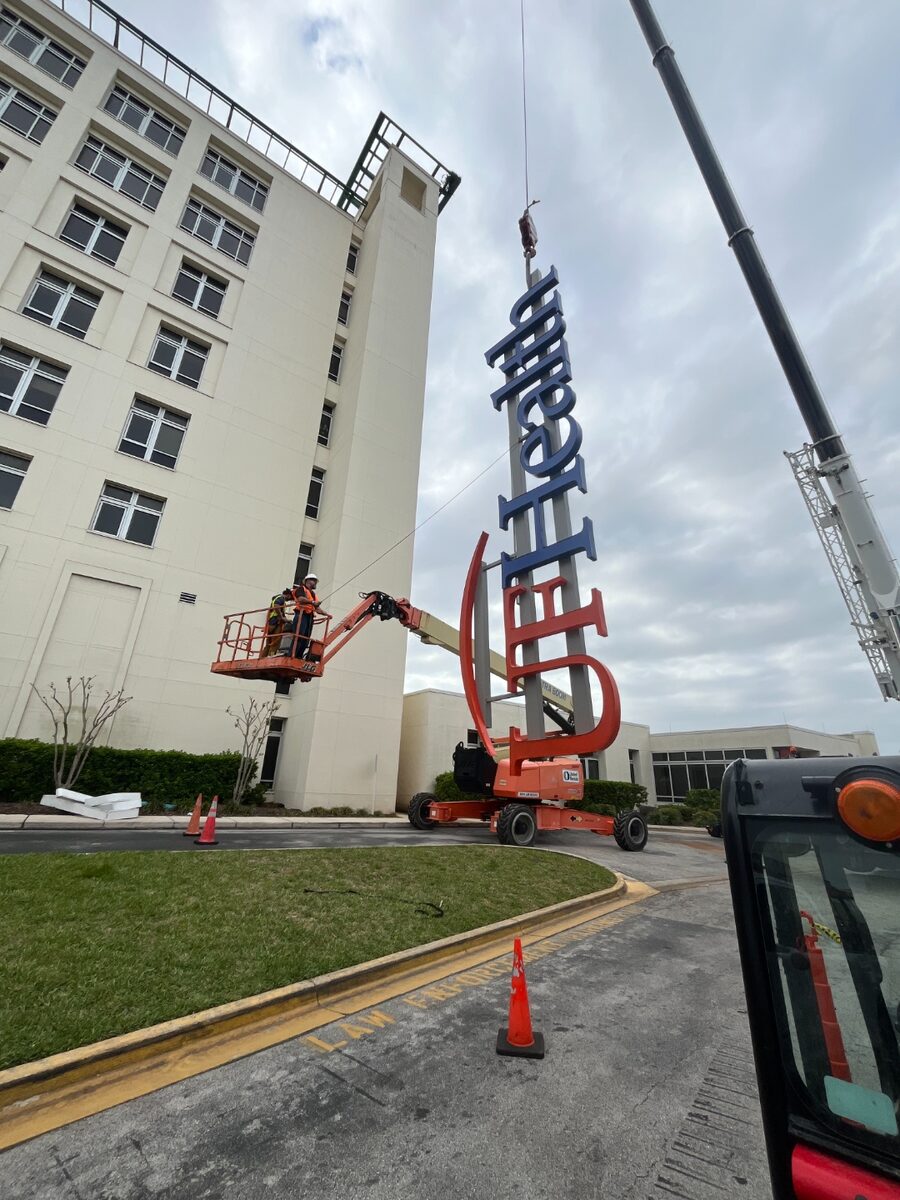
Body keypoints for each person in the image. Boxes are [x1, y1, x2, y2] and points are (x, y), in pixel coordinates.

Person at [283, 573, 331, 657]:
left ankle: (299, 657)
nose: (315, 583)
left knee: (306, 639)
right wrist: (312, 602)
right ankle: (292, 655)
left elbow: (317, 609)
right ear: (308, 581)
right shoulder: (301, 589)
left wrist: (327, 614)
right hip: (301, 615)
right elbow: (300, 599)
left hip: (309, 617)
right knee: (299, 636)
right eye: (314, 581)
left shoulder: (313, 594)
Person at [261, 589, 291, 657]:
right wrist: (282, 618)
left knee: (269, 643)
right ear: (288, 595)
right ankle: (270, 658)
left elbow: (279, 611)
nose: (290, 599)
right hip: (276, 623)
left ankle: (262, 658)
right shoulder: (281, 598)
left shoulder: (278, 598)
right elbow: (276, 605)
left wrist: (285, 619)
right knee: (275, 643)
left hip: (272, 623)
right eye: (290, 597)